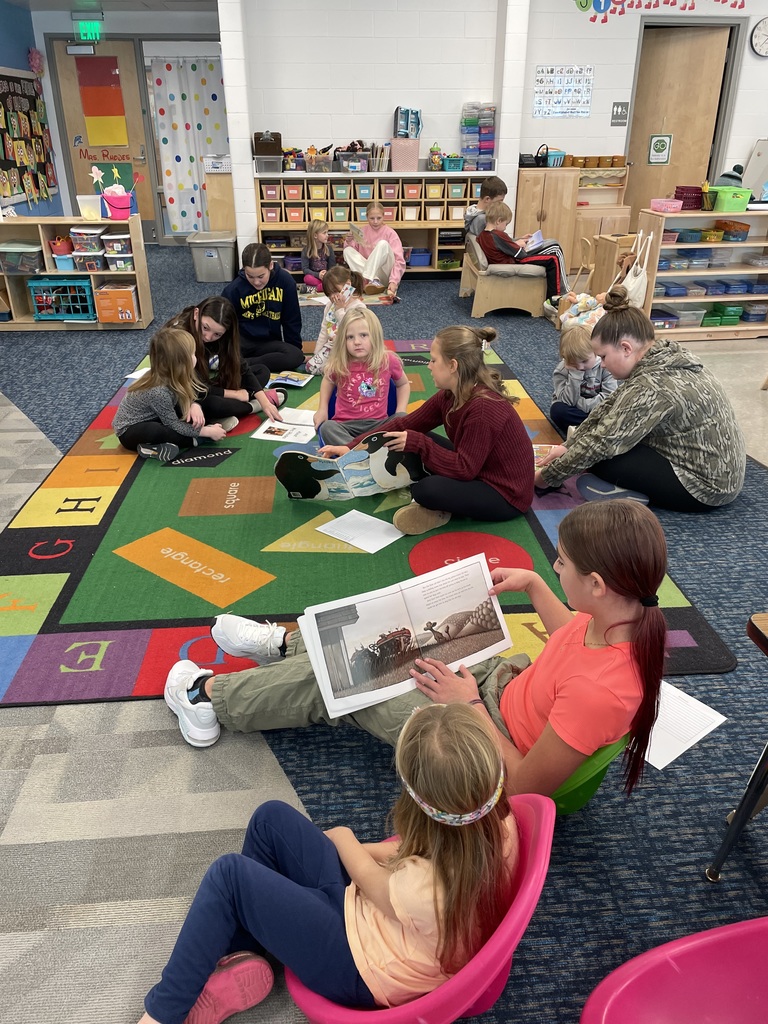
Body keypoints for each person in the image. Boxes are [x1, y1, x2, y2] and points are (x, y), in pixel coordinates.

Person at [164, 500, 667, 803]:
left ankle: (209, 699)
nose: (554, 567)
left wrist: (465, 705)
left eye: (561, 563)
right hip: (498, 690)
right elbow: (569, 640)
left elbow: (521, 789)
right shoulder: (625, 617)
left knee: (355, 676)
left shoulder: (600, 691)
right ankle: (288, 644)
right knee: (404, 635)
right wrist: (535, 585)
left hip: (481, 747)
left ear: (598, 583)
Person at [137, 704, 518, 1022]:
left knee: (229, 876)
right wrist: (354, 851)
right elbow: (407, 854)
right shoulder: (499, 828)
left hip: (357, 966)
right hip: (373, 919)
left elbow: (369, 875)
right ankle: (240, 957)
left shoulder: (422, 888)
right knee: (270, 820)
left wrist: (343, 838)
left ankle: (163, 1012)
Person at [535, 286, 746, 511]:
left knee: (598, 458)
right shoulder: (665, 357)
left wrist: (546, 478)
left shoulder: (652, 386)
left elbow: (601, 443)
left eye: (603, 356)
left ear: (626, 348)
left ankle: (625, 494)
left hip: (705, 487)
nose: (602, 364)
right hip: (721, 471)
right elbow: (610, 406)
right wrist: (569, 446)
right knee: (595, 446)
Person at [320, 324, 534, 535]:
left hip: (504, 493)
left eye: (433, 360)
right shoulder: (450, 394)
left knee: (425, 489)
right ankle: (438, 502)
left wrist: (420, 445)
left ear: (452, 365)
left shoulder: (483, 407)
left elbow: (465, 469)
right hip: (478, 468)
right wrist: (352, 447)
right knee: (407, 438)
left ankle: (439, 510)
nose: (428, 366)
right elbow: (405, 424)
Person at [113, 327, 227, 463]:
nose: (195, 357)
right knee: (160, 431)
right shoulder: (157, 391)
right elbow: (173, 424)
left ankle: (155, 446)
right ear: (180, 362)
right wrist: (206, 432)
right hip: (130, 431)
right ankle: (199, 438)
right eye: (192, 354)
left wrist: (193, 405)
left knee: (183, 414)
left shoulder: (174, 374)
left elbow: (186, 397)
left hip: (156, 416)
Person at [166, 297, 287, 424]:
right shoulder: (178, 336)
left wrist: (265, 402)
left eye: (217, 334)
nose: (207, 337)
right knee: (213, 405)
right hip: (182, 392)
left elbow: (241, 367)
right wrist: (235, 394)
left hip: (204, 386)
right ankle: (252, 407)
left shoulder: (221, 337)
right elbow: (191, 386)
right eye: (205, 327)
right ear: (196, 313)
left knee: (261, 371)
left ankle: (235, 408)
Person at [313, 306, 410, 446]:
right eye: (350, 337)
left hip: (378, 426)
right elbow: (328, 380)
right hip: (345, 427)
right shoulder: (340, 362)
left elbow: (403, 384)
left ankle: (355, 454)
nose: (356, 342)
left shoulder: (388, 360)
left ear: (374, 336)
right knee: (327, 427)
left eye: (363, 335)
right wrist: (322, 409)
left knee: (402, 419)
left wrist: (401, 409)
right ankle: (361, 454)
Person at [221, 242, 304, 373]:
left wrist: (294, 350)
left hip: (269, 343)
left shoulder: (285, 281)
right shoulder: (233, 289)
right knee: (224, 354)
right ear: (244, 269)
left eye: (261, 276)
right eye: (250, 276)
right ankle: (241, 363)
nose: (256, 282)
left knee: (296, 356)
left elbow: (291, 320)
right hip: (242, 344)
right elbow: (223, 324)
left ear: (271, 265)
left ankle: (242, 365)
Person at [477, 201, 569, 304]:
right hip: (515, 260)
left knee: (553, 246)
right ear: (498, 221)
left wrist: (519, 240)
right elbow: (520, 254)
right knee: (554, 256)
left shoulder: (483, 235)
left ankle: (557, 294)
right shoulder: (498, 235)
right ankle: (559, 295)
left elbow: (503, 246)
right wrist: (520, 245)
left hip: (509, 258)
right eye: (506, 224)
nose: (505, 228)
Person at [550, 322, 617, 433]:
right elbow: (565, 401)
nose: (580, 367)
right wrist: (575, 374)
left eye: (584, 361)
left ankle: (584, 428)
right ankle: (594, 428)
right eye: (573, 362)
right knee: (557, 410)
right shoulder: (561, 370)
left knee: (614, 411)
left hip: (598, 409)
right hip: (574, 411)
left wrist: (583, 405)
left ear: (595, 352)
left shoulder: (605, 366)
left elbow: (609, 397)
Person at [305, 266, 367, 376]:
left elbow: (351, 330)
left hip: (352, 348)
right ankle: (335, 368)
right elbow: (324, 331)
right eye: (329, 294)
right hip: (333, 346)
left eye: (335, 292)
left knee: (348, 367)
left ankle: (342, 368)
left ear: (348, 285)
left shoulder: (359, 307)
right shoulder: (330, 306)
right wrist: (317, 353)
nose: (333, 297)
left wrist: (340, 310)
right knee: (310, 367)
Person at [343, 202, 405, 299]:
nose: (375, 222)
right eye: (372, 218)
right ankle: (371, 280)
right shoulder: (361, 231)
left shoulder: (390, 233)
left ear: (383, 216)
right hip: (366, 276)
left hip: (385, 275)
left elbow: (399, 260)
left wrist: (393, 281)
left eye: (379, 218)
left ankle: (372, 280)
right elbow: (354, 255)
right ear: (367, 217)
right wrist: (349, 241)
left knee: (383, 244)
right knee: (347, 251)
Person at [301, 218, 336, 291]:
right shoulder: (306, 250)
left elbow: (332, 267)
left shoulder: (329, 249)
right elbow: (305, 269)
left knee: (336, 278)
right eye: (324, 233)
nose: (327, 235)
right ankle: (324, 287)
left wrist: (326, 275)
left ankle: (315, 289)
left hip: (327, 278)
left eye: (327, 232)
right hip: (315, 278)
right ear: (315, 235)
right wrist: (318, 275)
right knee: (307, 278)